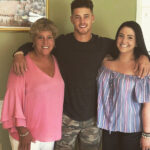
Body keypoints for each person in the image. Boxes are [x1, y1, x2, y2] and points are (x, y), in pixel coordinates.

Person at [12, 0, 150, 150]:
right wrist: (19, 53)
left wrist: (144, 56)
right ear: (72, 19)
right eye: (77, 17)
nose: (82, 21)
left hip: (93, 120)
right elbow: (38, 44)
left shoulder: (104, 44)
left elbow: (127, 46)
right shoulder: (62, 43)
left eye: (86, 16)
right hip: (65, 118)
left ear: (93, 18)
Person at [1, 18, 64, 150]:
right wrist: (23, 131)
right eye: (40, 37)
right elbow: (13, 99)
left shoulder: (57, 60)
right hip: (27, 135)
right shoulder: (22, 63)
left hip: (49, 134)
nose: (45, 42)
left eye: (49, 37)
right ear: (33, 41)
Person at [97, 21, 150, 150]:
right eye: (121, 35)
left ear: (137, 42)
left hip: (131, 130)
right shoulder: (105, 62)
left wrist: (147, 134)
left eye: (130, 37)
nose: (124, 40)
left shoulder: (141, 68)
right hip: (107, 128)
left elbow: (147, 105)